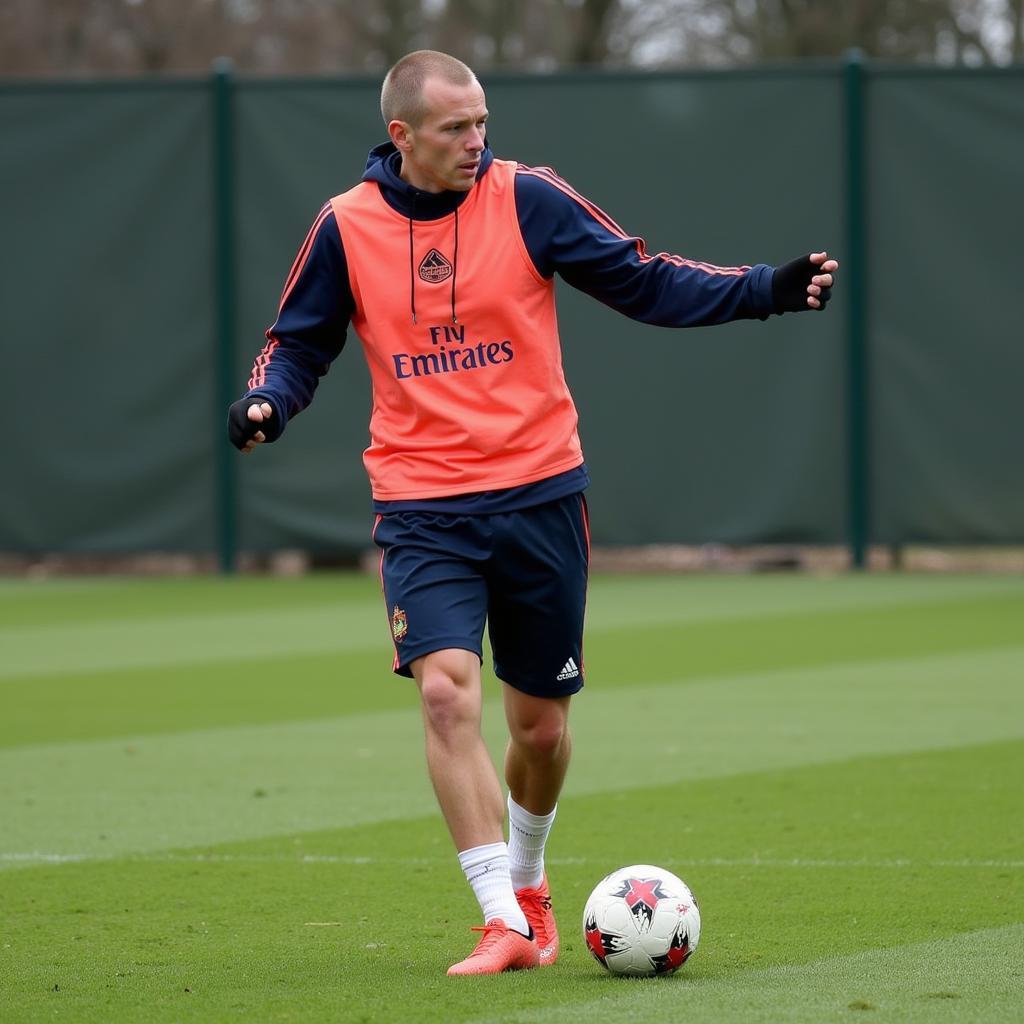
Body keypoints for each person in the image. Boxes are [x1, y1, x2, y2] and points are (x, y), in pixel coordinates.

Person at [228, 49, 838, 977]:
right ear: (402, 137)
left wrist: (763, 289)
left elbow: (645, 280)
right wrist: (269, 397)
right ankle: (501, 920)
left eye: (482, 122)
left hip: (540, 491)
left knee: (541, 729)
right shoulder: (345, 226)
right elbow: (298, 344)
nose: (478, 140)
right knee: (442, 691)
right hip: (423, 501)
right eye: (455, 128)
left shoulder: (530, 198)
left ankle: (529, 878)